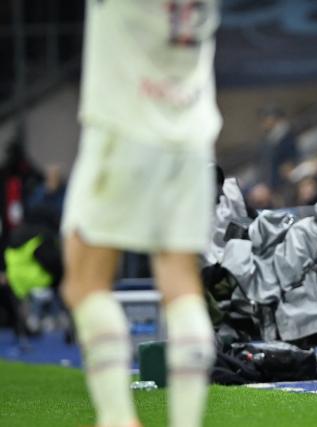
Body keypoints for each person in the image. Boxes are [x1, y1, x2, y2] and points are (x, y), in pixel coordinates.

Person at [61, 2, 222, 427]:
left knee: (84, 280)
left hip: (125, 125)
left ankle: (117, 419)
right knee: (182, 284)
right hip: (191, 135)